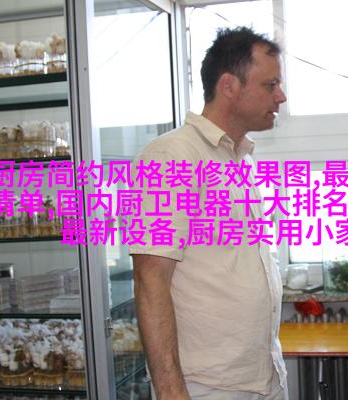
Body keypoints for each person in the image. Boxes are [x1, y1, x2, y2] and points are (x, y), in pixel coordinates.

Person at [129, 27, 287, 400]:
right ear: (229, 85)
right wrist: (170, 391)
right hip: (207, 387)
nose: (281, 96)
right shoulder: (170, 157)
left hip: (263, 376)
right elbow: (150, 280)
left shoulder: (240, 159)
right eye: (270, 85)